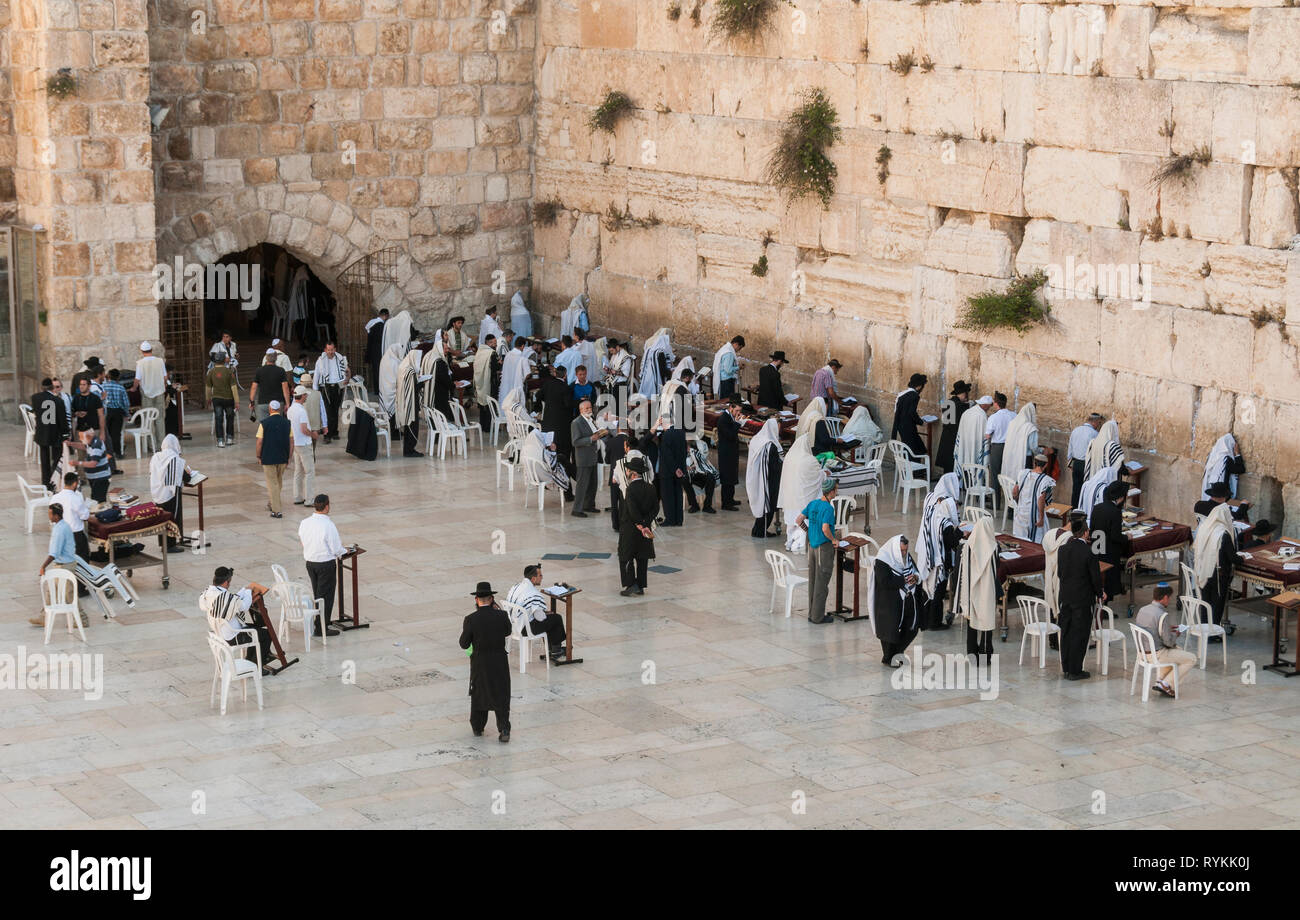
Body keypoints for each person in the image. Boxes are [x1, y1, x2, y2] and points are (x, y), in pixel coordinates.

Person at [460, 581, 513, 741]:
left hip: (480, 663)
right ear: (491, 599)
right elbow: (507, 631)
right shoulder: (502, 616)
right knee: (501, 694)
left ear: (476, 599)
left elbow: (464, 643)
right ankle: (504, 729)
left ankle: (478, 726)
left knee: (479, 694)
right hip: (499, 662)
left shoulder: (471, 619)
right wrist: (498, 611)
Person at [199, 566, 274, 676]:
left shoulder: (208, 592)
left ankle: (250, 662)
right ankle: (257, 668)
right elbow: (243, 606)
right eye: (229, 582)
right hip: (232, 636)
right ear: (225, 582)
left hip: (220, 632)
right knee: (267, 634)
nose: (229, 584)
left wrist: (243, 590)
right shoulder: (224, 596)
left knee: (256, 630)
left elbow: (230, 601)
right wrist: (248, 592)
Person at [1057, 513, 1104, 680]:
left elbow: (1060, 574)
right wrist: (1100, 593)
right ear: (1085, 533)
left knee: (1067, 632)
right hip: (1082, 599)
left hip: (1066, 597)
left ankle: (1066, 667)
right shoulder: (1089, 553)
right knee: (1080, 633)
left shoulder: (1062, 550)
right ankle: (1075, 670)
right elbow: (1095, 578)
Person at [916, 472, 963, 631]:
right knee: (938, 588)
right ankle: (934, 622)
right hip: (938, 557)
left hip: (926, 550)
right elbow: (952, 541)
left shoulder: (930, 498)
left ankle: (924, 619)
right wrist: (961, 533)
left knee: (926, 586)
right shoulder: (945, 513)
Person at [871, 535, 925, 667]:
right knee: (889, 632)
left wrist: (916, 578)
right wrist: (904, 580)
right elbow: (884, 582)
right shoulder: (882, 560)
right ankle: (889, 657)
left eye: (906, 550)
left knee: (912, 628)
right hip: (888, 603)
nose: (904, 553)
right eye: (901, 551)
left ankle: (897, 653)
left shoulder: (906, 557)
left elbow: (915, 570)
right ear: (895, 549)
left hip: (907, 599)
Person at [1135, 584, 1196, 698]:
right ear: (1165, 597)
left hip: (1142, 653)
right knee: (1191, 658)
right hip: (1156, 654)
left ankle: (1161, 681)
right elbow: (1169, 643)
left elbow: (1151, 628)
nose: (1169, 601)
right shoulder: (1162, 614)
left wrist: (1167, 628)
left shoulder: (1143, 610)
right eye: (1169, 598)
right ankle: (1166, 683)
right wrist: (1176, 634)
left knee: (1178, 651)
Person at [298, 494, 344, 637]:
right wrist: (345, 551)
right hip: (325, 564)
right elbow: (336, 548)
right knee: (326, 597)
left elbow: (302, 539)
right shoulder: (328, 525)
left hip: (311, 563)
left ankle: (321, 622)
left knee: (318, 594)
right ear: (327, 506)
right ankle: (321, 627)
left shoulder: (305, 522)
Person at [957, 515, 1000, 664]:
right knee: (986, 624)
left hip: (971, 589)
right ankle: (985, 655)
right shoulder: (994, 547)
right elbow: (996, 569)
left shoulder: (968, 545)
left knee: (972, 622)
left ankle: (972, 653)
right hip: (987, 590)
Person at [796, 478, 839, 625]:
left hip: (812, 548)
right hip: (823, 548)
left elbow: (799, 520)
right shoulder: (828, 508)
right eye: (836, 490)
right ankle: (818, 617)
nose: (836, 492)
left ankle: (812, 613)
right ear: (831, 492)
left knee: (813, 580)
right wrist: (833, 540)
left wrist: (808, 531)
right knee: (822, 582)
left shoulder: (813, 503)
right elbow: (825, 528)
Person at [505, 564, 567, 661]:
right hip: (524, 629)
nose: (542, 578)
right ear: (533, 579)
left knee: (550, 618)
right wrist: (545, 613)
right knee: (556, 618)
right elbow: (540, 618)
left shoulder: (515, 587)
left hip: (513, 626)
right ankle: (556, 650)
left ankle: (553, 648)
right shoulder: (533, 593)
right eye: (540, 575)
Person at [617, 458, 659, 596]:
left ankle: (631, 584)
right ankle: (640, 586)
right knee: (642, 557)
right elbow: (655, 508)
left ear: (633, 474)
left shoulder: (630, 489)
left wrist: (639, 525)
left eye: (628, 470)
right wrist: (646, 524)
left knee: (626, 556)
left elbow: (632, 509)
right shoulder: (651, 487)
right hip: (645, 529)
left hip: (630, 529)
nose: (627, 472)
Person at [1193, 502, 1237, 627]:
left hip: (1203, 570)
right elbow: (1232, 557)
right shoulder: (1223, 533)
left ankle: (1204, 628)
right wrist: (1242, 559)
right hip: (1218, 573)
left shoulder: (1204, 527)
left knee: (1205, 601)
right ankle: (1213, 631)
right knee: (1217, 603)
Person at [1090, 479, 1131, 600]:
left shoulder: (1097, 507)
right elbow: (1115, 536)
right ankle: (1105, 607)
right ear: (1121, 497)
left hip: (1096, 547)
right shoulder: (1115, 512)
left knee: (1097, 576)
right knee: (1108, 579)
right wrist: (1126, 537)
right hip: (1108, 550)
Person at [149, 434, 190, 551]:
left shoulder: (155, 457)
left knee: (161, 518)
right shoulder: (175, 459)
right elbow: (186, 478)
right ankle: (170, 546)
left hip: (157, 493)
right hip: (170, 494)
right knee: (172, 518)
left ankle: (163, 544)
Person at [747, 418, 784, 538]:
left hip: (756, 477)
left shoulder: (757, 439)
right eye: (777, 427)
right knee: (769, 506)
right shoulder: (770, 445)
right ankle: (760, 531)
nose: (779, 429)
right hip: (768, 480)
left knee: (762, 505)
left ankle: (757, 529)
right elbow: (774, 467)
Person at [570, 397, 607, 517]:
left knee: (592, 484)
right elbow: (575, 442)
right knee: (582, 485)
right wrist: (591, 439)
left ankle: (589, 505)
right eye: (586, 408)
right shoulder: (576, 423)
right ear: (581, 410)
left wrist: (600, 433)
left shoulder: (591, 419)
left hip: (593, 456)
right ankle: (577, 509)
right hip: (584, 458)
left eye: (590, 407)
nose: (589, 409)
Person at [256, 400, 293, 519]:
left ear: (270, 409)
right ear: (279, 409)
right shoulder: (287, 423)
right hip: (282, 457)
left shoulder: (264, 423)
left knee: (272, 484)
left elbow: (259, 442)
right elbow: (291, 441)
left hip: (268, 457)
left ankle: (276, 510)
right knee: (278, 482)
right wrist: (289, 457)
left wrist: (258, 456)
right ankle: (272, 502)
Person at [31, 378, 69, 488]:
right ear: (52, 388)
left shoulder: (35, 398)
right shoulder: (58, 401)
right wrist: (66, 434)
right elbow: (62, 420)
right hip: (55, 432)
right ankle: (54, 478)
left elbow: (36, 411)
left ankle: (45, 480)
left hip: (42, 432)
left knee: (44, 457)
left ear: (42, 387)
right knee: (56, 457)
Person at [130, 341, 168, 448]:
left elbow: (137, 379)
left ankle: (152, 445)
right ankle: (162, 444)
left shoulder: (140, 363)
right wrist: (163, 385)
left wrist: (133, 388)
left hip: (147, 393)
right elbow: (165, 377)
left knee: (149, 418)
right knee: (160, 418)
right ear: (151, 350)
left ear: (142, 351)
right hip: (159, 392)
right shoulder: (160, 361)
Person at [51, 471, 91, 570]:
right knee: (82, 563)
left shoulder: (55, 498)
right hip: (75, 535)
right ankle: (80, 585)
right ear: (75, 484)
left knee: (63, 563)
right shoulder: (75, 498)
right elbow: (85, 516)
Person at [1012, 454, 1055, 543]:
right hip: (1034, 516)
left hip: (1021, 512)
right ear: (1046, 465)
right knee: (1036, 542)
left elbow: (1015, 492)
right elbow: (1041, 500)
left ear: (1034, 462)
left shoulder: (1022, 473)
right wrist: (1041, 518)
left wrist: (1019, 503)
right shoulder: (1046, 480)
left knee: (1020, 541)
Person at [311, 342, 348, 443]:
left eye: (332, 350)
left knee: (335, 411)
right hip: (325, 387)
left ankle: (334, 432)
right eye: (328, 350)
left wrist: (346, 379)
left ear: (335, 349)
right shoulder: (320, 360)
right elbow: (316, 375)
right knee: (327, 412)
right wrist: (315, 391)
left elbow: (346, 372)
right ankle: (327, 434)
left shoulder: (340, 359)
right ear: (325, 350)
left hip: (337, 387)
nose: (330, 352)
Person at [287, 386, 319, 505]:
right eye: (306, 395)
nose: (306, 397)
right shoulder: (301, 411)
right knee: (309, 471)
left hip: (295, 443)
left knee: (298, 471)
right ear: (303, 396)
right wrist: (313, 435)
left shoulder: (290, 409)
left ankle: (297, 496)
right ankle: (309, 499)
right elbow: (304, 429)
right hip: (304, 444)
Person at [66, 427, 113, 503]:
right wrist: (71, 444)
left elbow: (93, 464)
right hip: (95, 478)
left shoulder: (96, 445)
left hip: (100, 478)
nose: (80, 439)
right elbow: (83, 446)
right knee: (96, 498)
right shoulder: (91, 442)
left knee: (98, 500)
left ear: (88, 437)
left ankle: (102, 514)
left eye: (81, 437)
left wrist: (77, 463)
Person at [1067, 413, 1103, 508]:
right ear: (1094, 422)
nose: (1098, 426)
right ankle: (1084, 510)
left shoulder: (1076, 430)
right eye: (1098, 423)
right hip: (1087, 464)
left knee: (1076, 488)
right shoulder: (1094, 434)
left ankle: (1074, 510)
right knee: (1087, 488)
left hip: (1075, 463)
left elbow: (1070, 447)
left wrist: (1070, 463)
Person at [540, 364, 574, 467]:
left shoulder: (547, 384)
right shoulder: (566, 387)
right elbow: (568, 404)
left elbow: (539, 396)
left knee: (550, 448)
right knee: (563, 450)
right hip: (561, 425)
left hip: (548, 422)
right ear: (565, 375)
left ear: (555, 374)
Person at [935, 380, 971, 475]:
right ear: (963, 394)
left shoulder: (948, 402)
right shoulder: (961, 406)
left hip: (946, 437)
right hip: (954, 438)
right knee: (952, 465)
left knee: (947, 467)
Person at [715, 395, 743, 510]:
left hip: (731, 452)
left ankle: (730, 499)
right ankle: (726, 503)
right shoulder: (723, 419)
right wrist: (737, 423)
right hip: (726, 453)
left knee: (732, 476)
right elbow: (730, 435)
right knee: (727, 478)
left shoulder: (730, 416)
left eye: (739, 411)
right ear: (731, 408)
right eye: (736, 410)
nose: (738, 413)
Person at [953, 396, 991, 480]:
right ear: (985, 405)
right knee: (976, 463)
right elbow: (985, 436)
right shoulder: (982, 415)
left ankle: (965, 484)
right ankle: (975, 485)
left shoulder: (966, 412)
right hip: (976, 444)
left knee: (964, 460)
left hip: (965, 443)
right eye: (989, 406)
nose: (989, 408)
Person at [890, 373, 928, 458]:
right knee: (916, 450)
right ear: (919, 386)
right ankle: (914, 470)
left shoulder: (902, 394)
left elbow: (897, 411)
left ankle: (907, 469)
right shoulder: (915, 395)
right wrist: (921, 422)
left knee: (909, 447)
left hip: (900, 426)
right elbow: (912, 412)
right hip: (908, 427)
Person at [1001, 402, 1039, 486]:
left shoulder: (1012, 423)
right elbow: (1034, 448)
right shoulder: (1030, 428)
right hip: (1025, 459)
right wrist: (1043, 451)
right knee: (1024, 484)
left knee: (1013, 481)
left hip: (1012, 457)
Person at [206, 352, 238, 448]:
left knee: (218, 419)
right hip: (228, 399)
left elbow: (208, 388)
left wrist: (208, 399)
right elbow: (234, 387)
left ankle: (220, 440)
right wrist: (237, 401)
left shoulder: (211, 372)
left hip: (216, 399)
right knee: (230, 417)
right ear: (224, 360)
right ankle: (229, 438)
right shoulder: (229, 371)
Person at [249, 351, 290, 423]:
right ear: (276, 358)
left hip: (263, 403)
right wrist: (287, 403)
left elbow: (254, 387)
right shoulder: (281, 371)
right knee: (277, 426)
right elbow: (285, 388)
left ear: (266, 358)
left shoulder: (259, 370)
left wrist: (252, 402)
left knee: (264, 427)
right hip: (278, 403)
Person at [473, 333, 500, 435]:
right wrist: (499, 364)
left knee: (481, 404)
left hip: (480, 381)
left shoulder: (480, 351)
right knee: (490, 404)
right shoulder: (492, 353)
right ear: (489, 343)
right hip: (489, 382)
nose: (495, 345)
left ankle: (483, 425)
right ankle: (489, 427)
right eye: (494, 343)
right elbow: (495, 368)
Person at [983, 392, 1015, 478]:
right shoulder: (1014, 415)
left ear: (996, 404)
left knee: (995, 474)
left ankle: (996, 492)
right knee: (1008, 474)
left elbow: (987, 435)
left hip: (997, 448)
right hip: (1010, 447)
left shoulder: (993, 417)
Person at [101, 369, 130, 463]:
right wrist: (126, 413)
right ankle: (118, 453)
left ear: (108, 376)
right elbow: (126, 403)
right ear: (118, 377)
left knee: (106, 433)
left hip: (106, 412)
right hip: (117, 412)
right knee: (116, 433)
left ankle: (107, 453)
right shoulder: (121, 388)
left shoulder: (103, 386)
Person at [684, 435, 719, 514]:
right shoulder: (680, 445)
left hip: (701, 470)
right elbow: (677, 459)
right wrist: (685, 466)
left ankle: (707, 505)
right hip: (688, 471)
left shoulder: (702, 444)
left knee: (711, 477)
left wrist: (693, 452)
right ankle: (694, 505)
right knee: (685, 479)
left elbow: (704, 458)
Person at [638, 328, 675, 398]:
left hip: (647, 378)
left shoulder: (650, 350)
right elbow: (662, 370)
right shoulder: (660, 353)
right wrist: (671, 372)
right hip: (656, 381)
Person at [71, 376, 105, 441]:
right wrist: (77, 413)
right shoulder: (76, 398)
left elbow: (101, 416)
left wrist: (102, 433)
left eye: (84, 384)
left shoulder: (96, 398)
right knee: (80, 450)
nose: (81, 386)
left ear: (89, 386)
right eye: (80, 384)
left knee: (93, 450)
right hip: (80, 430)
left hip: (94, 430)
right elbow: (72, 413)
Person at [499, 337, 531, 408]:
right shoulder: (523, 359)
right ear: (522, 346)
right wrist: (522, 379)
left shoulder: (507, 355)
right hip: (516, 388)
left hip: (506, 386)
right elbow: (528, 374)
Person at [365, 308, 389, 390]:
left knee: (375, 371)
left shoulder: (372, 323)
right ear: (385, 316)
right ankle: (379, 390)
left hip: (372, 351)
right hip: (379, 351)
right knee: (380, 371)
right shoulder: (380, 326)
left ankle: (376, 389)